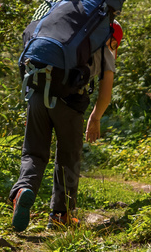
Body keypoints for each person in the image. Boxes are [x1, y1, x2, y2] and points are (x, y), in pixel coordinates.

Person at [9, 20, 122, 231]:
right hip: (69, 103)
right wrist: (95, 118)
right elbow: (106, 92)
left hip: (37, 96)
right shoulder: (102, 46)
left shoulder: (61, 30)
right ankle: (61, 215)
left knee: (33, 153)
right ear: (113, 39)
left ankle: (23, 190)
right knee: (67, 157)